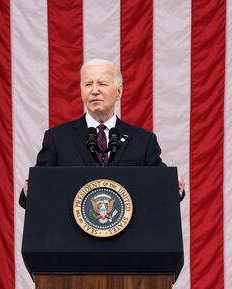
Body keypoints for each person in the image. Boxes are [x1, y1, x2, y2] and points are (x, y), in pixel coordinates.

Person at [19, 58, 185, 208]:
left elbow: (162, 187)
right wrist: (30, 189)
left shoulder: (143, 141)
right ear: (81, 91)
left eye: (102, 84)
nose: (94, 90)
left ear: (118, 92)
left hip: (128, 240)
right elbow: (37, 192)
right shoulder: (57, 139)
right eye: (88, 84)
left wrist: (174, 186)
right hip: (73, 240)